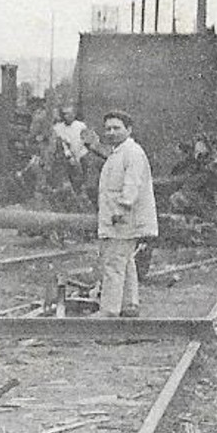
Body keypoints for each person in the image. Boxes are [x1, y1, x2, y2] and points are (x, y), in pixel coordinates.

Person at [96, 110, 157, 318]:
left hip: (122, 219)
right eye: (108, 129)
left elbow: (132, 184)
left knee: (113, 265)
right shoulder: (119, 152)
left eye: (116, 128)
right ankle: (129, 306)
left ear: (128, 130)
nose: (111, 132)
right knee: (126, 262)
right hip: (118, 218)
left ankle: (109, 313)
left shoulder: (132, 152)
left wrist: (121, 210)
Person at [51, 105, 89, 198]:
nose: (67, 116)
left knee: (83, 174)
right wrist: (69, 156)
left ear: (74, 114)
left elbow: (85, 140)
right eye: (64, 114)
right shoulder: (58, 128)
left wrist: (78, 156)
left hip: (81, 154)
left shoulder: (81, 126)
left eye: (69, 113)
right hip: (67, 156)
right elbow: (61, 144)